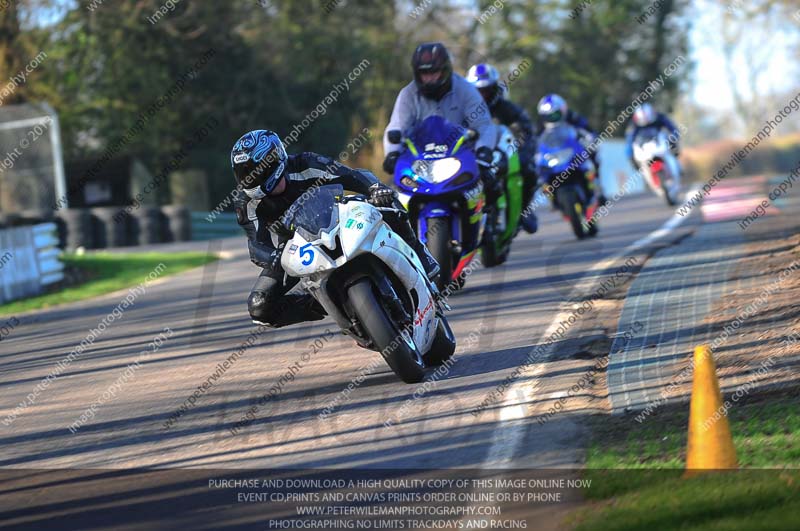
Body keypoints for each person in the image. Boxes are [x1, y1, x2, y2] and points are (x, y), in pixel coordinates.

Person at [231, 129, 440, 328]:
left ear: (274, 163)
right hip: (296, 246)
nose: (250, 178)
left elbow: (353, 176)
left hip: (338, 216)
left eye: (255, 171)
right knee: (259, 306)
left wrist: (375, 188)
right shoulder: (245, 202)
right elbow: (257, 244)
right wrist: (272, 257)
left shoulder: (305, 164)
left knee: (386, 201)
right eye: (244, 173)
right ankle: (329, 303)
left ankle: (422, 256)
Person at [382, 42, 502, 200]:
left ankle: (491, 222)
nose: (429, 78)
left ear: (445, 70)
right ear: (417, 73)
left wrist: (484, 150)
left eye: (434, 72)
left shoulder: (466, 89)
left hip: (459, 157)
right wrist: (392, 153)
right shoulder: (407, 94)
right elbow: (396, 126)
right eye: (425, 73)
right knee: (391, 199)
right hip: (419, 161)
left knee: (491, 184)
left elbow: (483, 124)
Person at [466, 62, 539, 233]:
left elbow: (525, 130)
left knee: (529, 169)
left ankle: (524, 210)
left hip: (502, 154)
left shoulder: (505, 108)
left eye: (486, 90)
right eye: (477, 90)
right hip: (470, 155)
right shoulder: (461, 109)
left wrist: (523, 152)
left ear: (494, 88)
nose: (482, 95)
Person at [536, 93, 604, 203]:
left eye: (556, 114)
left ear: (563, 110)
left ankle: (597, 186)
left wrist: (591, 137)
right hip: (554, 154)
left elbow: (587, 128)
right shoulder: (541, 124)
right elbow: (535, 138)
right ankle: (551, 196)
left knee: (593, 155)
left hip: (572, 148)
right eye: (548, 115)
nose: (552, 118)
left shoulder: (572, 116)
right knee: (539, 171)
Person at [625, 103, 681, 169]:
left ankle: (677, 166)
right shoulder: (633, 125)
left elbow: (674, 129)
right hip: (644, 149)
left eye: (649, 121)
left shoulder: (659, 117)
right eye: (644, 122)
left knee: (673, 148)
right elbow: (629, 141)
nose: (647, 124)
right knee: (640, 164)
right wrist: (630, 157)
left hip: (660, 144)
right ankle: (646, 177)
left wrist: (673, 139)